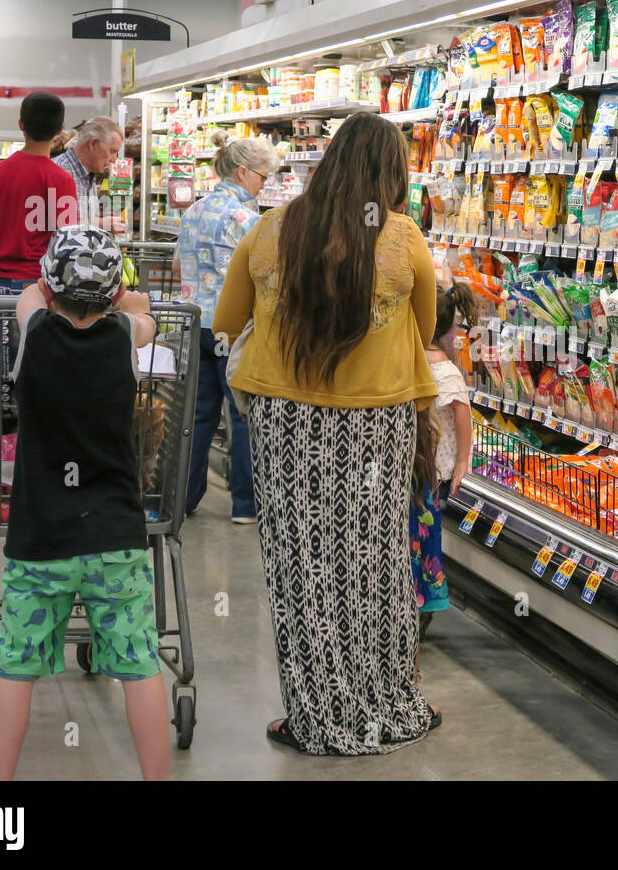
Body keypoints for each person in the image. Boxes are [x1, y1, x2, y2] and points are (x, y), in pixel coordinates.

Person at [212, 112, 439, 755]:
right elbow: (423, 332)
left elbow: (226, 322)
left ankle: (317, 714)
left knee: (302, 562)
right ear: (390, 173)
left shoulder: (269, 229)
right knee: (375, 557)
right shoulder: (401, 240)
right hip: (379, 419)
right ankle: (390, 703)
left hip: (287, 422)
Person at [0, 226, 168, 781]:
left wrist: (49, 288)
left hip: (40, 538)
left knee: (15, 670)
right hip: (114, 536)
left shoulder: (35, 332)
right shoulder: (122, 337)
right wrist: (127, 304)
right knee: (140, 668)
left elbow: (30, 297)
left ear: (49, 286)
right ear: (112, 297)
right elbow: (146, 316)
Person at [177, 131, 277, 524]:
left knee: (198, 414)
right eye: (262, 176)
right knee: (241, 413)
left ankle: (185, 498)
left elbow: (176, 266)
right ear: (242, 172)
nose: (264, 184)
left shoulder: (194, 211)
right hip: (231, 329)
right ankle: (244, 506)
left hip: (194, 322)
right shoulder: (248, 220)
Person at [410, 283, 477, 635]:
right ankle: (416, 599)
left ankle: (420, 602)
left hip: (430, 471)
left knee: (420, 536)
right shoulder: (426, 362)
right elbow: (464, 417)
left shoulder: (444, 372)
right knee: (420, 536)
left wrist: (463, 462)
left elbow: (461, 415)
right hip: (420, 469)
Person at [0, 91, 78, 291]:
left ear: (21, 124)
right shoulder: (62, 180)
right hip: (38, 283)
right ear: (60, 129)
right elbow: (66, 244)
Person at [53, 116, 124, 230]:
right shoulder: (58, 172)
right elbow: (55, 229)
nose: (114, 159)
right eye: (112, 151)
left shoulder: (89, 176)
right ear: (93, 144)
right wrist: (100, 225)